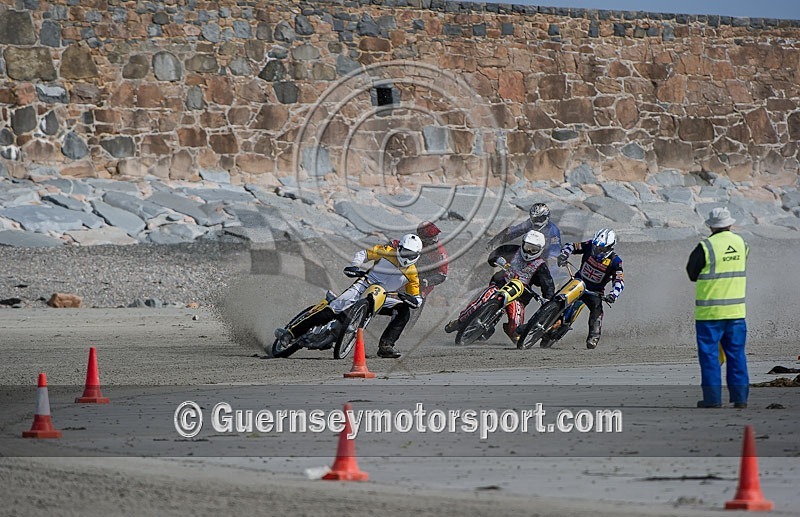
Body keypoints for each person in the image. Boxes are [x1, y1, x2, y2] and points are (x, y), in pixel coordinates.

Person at [275, 234, 423, 359]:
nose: (406, 257)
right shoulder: (387, 251)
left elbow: (417, 297)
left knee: (404, 310)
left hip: (383, 296)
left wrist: (413, 300)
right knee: (332, 310)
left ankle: (386, 346)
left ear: (416, 256)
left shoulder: (413, 273)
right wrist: (355, 266)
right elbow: (363, 254)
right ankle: (291, 333)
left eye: (411, 255)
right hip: (364, 284)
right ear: (399, 248)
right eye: (404, 252)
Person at [685, 207, 749, 409]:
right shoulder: (742, 244)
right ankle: (740, 399)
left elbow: (692, 273)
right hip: (736, 313)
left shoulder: (706, 246)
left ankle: (712, 400)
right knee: (736, 355)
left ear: (710, 225)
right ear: (730, 223)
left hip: (710, 314)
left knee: (710, 357)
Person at [446, 230, 555, 342]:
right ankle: (459, 321)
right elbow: (494, 254)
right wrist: (499, 260)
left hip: (519, 296)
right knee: (482, 300)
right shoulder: (512, 250)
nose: (529, 252)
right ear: (522, 244)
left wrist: (547, 300)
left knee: (515, 326)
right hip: (499, 285)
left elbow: (548, 285)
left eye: (534, 250)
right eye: (527, 247)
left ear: (540, 250)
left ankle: (515, 334)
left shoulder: (541, 266)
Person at [556, 228, 624, 349]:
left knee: (597, 311)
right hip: (577, 282)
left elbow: (619, 281)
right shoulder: (588, 245)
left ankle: (593, 337)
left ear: (610, 248)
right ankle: (532, 323)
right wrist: (564, 254)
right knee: (556, 298)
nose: (597, 251)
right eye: (596, 247)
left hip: (594, 292)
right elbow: (571, 246)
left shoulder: (615, 261)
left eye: (602, 249)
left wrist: (613, 295)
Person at [391, 222, 449, 329]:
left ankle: (403, 327)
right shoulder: (412, 240)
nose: (435, 240)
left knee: (413, 302)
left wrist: (426, 281)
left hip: (422, 282)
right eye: (431, 238)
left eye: (436, 237)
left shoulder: (439, 253)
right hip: (403, 272)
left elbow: (442, 275)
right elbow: (396, 244)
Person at [486, 202, 562, 279]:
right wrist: (495, 241)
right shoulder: (530, 223)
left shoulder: (553, 232)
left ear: (547, 217)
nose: (536, 222)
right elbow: (514, 231)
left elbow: (554, 255)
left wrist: (548, 276)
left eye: (540, 219)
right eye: (534, 218)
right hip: (527, 253)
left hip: (543, 260)